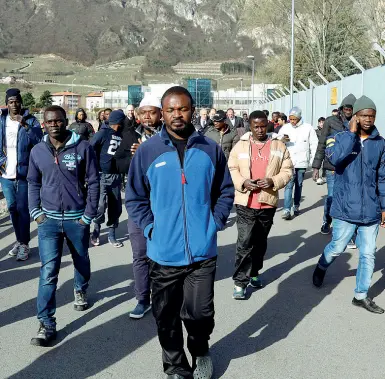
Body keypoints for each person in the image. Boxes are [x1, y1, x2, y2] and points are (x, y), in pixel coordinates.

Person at [126, 86, 234, 379]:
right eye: (171, 110)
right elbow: (134, 198)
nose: (177, 115)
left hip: (202, 253)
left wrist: (214, 222)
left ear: (193, 110)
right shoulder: (148, 152)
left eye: (183, 109)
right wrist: (151, 228)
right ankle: (175, 366)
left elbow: (225, 190)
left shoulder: (209, 148)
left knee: (200, 315)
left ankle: (200, 351)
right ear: (162, 113)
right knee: (166, 316)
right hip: (163, 253)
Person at [28, 105, 99, 346]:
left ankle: (80, 287)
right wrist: (36, 213)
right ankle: (46, 323)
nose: (54, 125)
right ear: (44, 124)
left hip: (76, 220)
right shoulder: (37, 151)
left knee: (81, 261)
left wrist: (88, 216)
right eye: (49, 122)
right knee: (48, 272)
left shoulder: (83, 147)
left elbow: (94, 181)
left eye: (58, 120)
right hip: (47, 221)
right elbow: (33, 183)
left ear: (66, 121)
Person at [312, 96, 385, 314]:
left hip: (370, 210)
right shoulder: (339, 137)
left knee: (368, 253)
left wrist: (383, 207)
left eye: (371, 116)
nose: (368, 120)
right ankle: (322, 266)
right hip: (345, 209)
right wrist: (351, 135)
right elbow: (335, 159)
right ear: (355, 116)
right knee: (337, 247)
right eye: (363, 115)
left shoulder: (380, 143)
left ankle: (361, 295)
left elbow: (383, 177)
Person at [228, 111, 293, 299]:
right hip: (245, 202)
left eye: (263, 126)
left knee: (260, 242)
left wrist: (273, 181)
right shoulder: (240, 145)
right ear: (250, 126)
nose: (259, 130)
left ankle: (254, 272)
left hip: (267, 203)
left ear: (268, 125)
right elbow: (232, 167)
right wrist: (242, 182)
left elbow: (287, 170)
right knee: (244, 242)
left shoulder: (278, 146)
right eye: (255, 126)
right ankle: (240, 282)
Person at [116, 94, 163, 319]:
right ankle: (142, 298)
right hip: (138, 203)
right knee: (140, 253)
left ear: (160, 113)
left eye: (151, 112)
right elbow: (116, 163)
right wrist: (134, 158)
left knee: (164, 252)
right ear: (137, 114)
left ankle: (164, 295)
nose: (147, 116)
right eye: (143, 112)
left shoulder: (169, 136)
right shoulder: (129, 135)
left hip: (164, 203)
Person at [0, 88, 43, 261]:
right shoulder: (2, 120)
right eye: (11, 102)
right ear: (7, 103)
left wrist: (24, 124)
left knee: (23, 210)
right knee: (12, 209)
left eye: (17, 101)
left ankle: (24, 244)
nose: (14, 104)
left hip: (24, 173)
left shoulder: (31, 121)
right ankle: (19, 240)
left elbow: (39, 141)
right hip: (5, 173)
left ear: (21, 102)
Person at [312, 94, 356, 235]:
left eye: (351, 108)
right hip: (332, 167)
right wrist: (316, 166)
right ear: (342, 108)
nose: (348, 109)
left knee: (347, 197)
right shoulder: (331, 121)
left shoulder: (357, 122)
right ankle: (327, 221)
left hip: (350, 167)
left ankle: (343, 228)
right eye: (346, 107)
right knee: (332, 196)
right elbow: (322, 143)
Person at [90, 110, 124, 248]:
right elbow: (90, 148)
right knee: (100, 205)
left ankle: (111, 235)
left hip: (116, 175)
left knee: (115, 206)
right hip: (102, 175)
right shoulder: (102, 133)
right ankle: (96, 232)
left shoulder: (123, 135)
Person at [278, 107, 318, 219]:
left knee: (299, 184)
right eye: (290, 119)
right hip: (288, 162)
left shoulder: (308, 128)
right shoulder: (285, 128)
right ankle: (286, 209)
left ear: (299, 117)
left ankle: (296, 205)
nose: (292, 121)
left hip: (302, 161)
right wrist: (282, 139)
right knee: (288, 185)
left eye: (294, 119)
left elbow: (314, 145)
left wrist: (312, 160)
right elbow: (277, 140)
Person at [315, 117, 326, 185]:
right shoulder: (315, 131)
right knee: (317, 163)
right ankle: (317, 177)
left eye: (323, 122)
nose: (321, 124)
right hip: (318, 149)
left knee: (325, 163)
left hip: (325, 149)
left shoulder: (327, 130)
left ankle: (324, 176)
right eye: (320, 122)